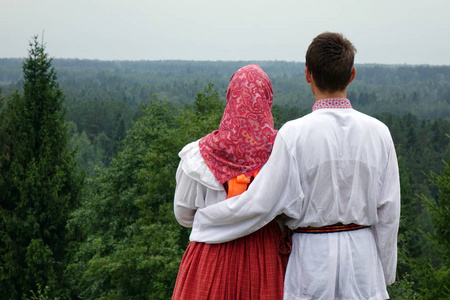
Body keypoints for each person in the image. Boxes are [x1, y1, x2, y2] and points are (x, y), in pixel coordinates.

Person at [190, 32, 401, 300]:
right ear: (352, 74)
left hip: (311, 261)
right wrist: (381, 275)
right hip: (363, 260)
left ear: (307, 75)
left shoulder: (294, 134)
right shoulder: (379, 133)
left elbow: (262, 203)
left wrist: (207, 220)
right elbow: (389, 213)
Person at [172, 64, 286, 299]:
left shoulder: (198, 156)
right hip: (265, 259)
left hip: (211, 257)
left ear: (230, 96)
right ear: (267, 99)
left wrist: (219, 221)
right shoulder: (284, 153)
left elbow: (183, 215)